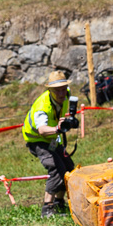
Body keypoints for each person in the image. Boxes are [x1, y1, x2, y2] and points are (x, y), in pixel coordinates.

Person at [23, 70, 78, 218]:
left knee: (68, 168)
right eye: (57, 90)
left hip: (53, 138)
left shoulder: (67, 94)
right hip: (37, 140)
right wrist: (56, 129)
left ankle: (60, 203)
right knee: (56, 169)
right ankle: (47, 208)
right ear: (50, 90)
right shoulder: (43, 106)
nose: (61, 93)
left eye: (63, 89)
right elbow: (41, 130)